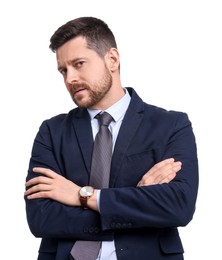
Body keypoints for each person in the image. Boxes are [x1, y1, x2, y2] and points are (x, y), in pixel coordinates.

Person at [24, 16, 199, 260]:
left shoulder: (171, 125)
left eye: (79, 64)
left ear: (112, 59)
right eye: (63, 70)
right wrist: (134, 202)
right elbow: (41, 218)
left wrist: (81, 196)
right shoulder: (52, 131)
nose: (69, 78)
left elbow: (178, 206)